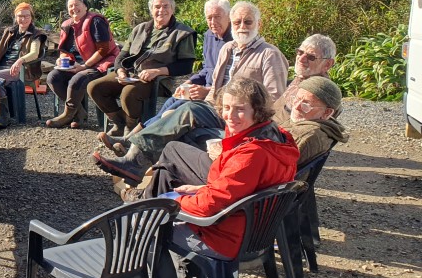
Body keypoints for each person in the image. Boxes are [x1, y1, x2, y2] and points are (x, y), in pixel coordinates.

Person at [151, 76, 299, 278]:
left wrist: (173, 203)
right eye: (227, 108)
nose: (230, 115)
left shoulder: (251, 154)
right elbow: (243, 191)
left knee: (148, 228)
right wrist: (200, 190)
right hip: (254, 229)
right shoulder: (280, 138)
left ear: (258, 111)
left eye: (240, 110)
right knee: (169, 185)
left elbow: (211, 206)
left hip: (227, 236)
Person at [94, 1, 289, 181]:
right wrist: (206, 94)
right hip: (217, 108)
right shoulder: (228, 48)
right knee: (174, 112)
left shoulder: (269, 55)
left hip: (244, 117)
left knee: (188, 112)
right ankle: (140, 164)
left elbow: (274, 98)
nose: (242, 27)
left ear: (259, 25)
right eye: (237, 22)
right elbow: (216, 84)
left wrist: (239, 108)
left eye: (248, 22)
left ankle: (135, 162)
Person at [123, 76, 348, 202]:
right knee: (187, 139)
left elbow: (256, 177)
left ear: (327, 113)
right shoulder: (313, 127)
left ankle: (145, 201)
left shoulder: (307, 134)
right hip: (249, 174)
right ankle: (147, 202)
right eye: (297, 99)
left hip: (248, 192)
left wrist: (191, 198)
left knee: (173, 150)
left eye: (306, 104)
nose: (297, 106)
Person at [109, 0, 232, 141]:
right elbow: (206, 69)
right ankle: (131, 138)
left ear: (228, 16)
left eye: (217, 17)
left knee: (175, 108)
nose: (212, 22)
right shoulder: (209, 36)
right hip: (203, 88)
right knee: (170, 102)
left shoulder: (234, 42)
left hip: (218, 96)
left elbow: (234, 80)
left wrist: (208, 91)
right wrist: (189, 82)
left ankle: (136, 141)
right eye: (209, 18)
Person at [87, 0, 196, 135]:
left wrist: (157, 71)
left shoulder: (182, 33)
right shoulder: (140, 29)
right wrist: (120, 71)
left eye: (165, 6)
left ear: (172, 9)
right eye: (157, 7)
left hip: (159, 80)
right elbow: (121, 56)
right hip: (132, 74)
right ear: (151, 10)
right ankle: (120, 122)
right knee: (95, 87)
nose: (161, 10)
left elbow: (186, 65)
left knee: (129, 93)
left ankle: (130, 127)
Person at [45, 0, 119, 129]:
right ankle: (79, 113)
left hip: (100, 63)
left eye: (77, 4)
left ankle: (68, 114)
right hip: (76, 64)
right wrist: (62, 58)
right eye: (70, 6)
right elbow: (64, 50)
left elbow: (103, 49)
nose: (74, 8)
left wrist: (84, 66)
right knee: (52, 77)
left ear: (85, 6)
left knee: (77, 79)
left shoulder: (95, 21)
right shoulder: (67, 25)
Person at [0, 3, 46, 129]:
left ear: (31, 17)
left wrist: (20, 60)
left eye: (26, 16)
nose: (23, 19)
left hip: (21, 70)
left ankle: (2, 115)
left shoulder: (36, 34)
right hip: (2, 67)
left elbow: (34, 53)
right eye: (20, 16)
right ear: (15, 17)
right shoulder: (10, 32)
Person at [278, 34, 337, 114]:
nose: (301, 59)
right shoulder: (301, 79)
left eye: (310, 57)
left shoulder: (319, 93)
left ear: (327, 64)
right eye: (300, 52)